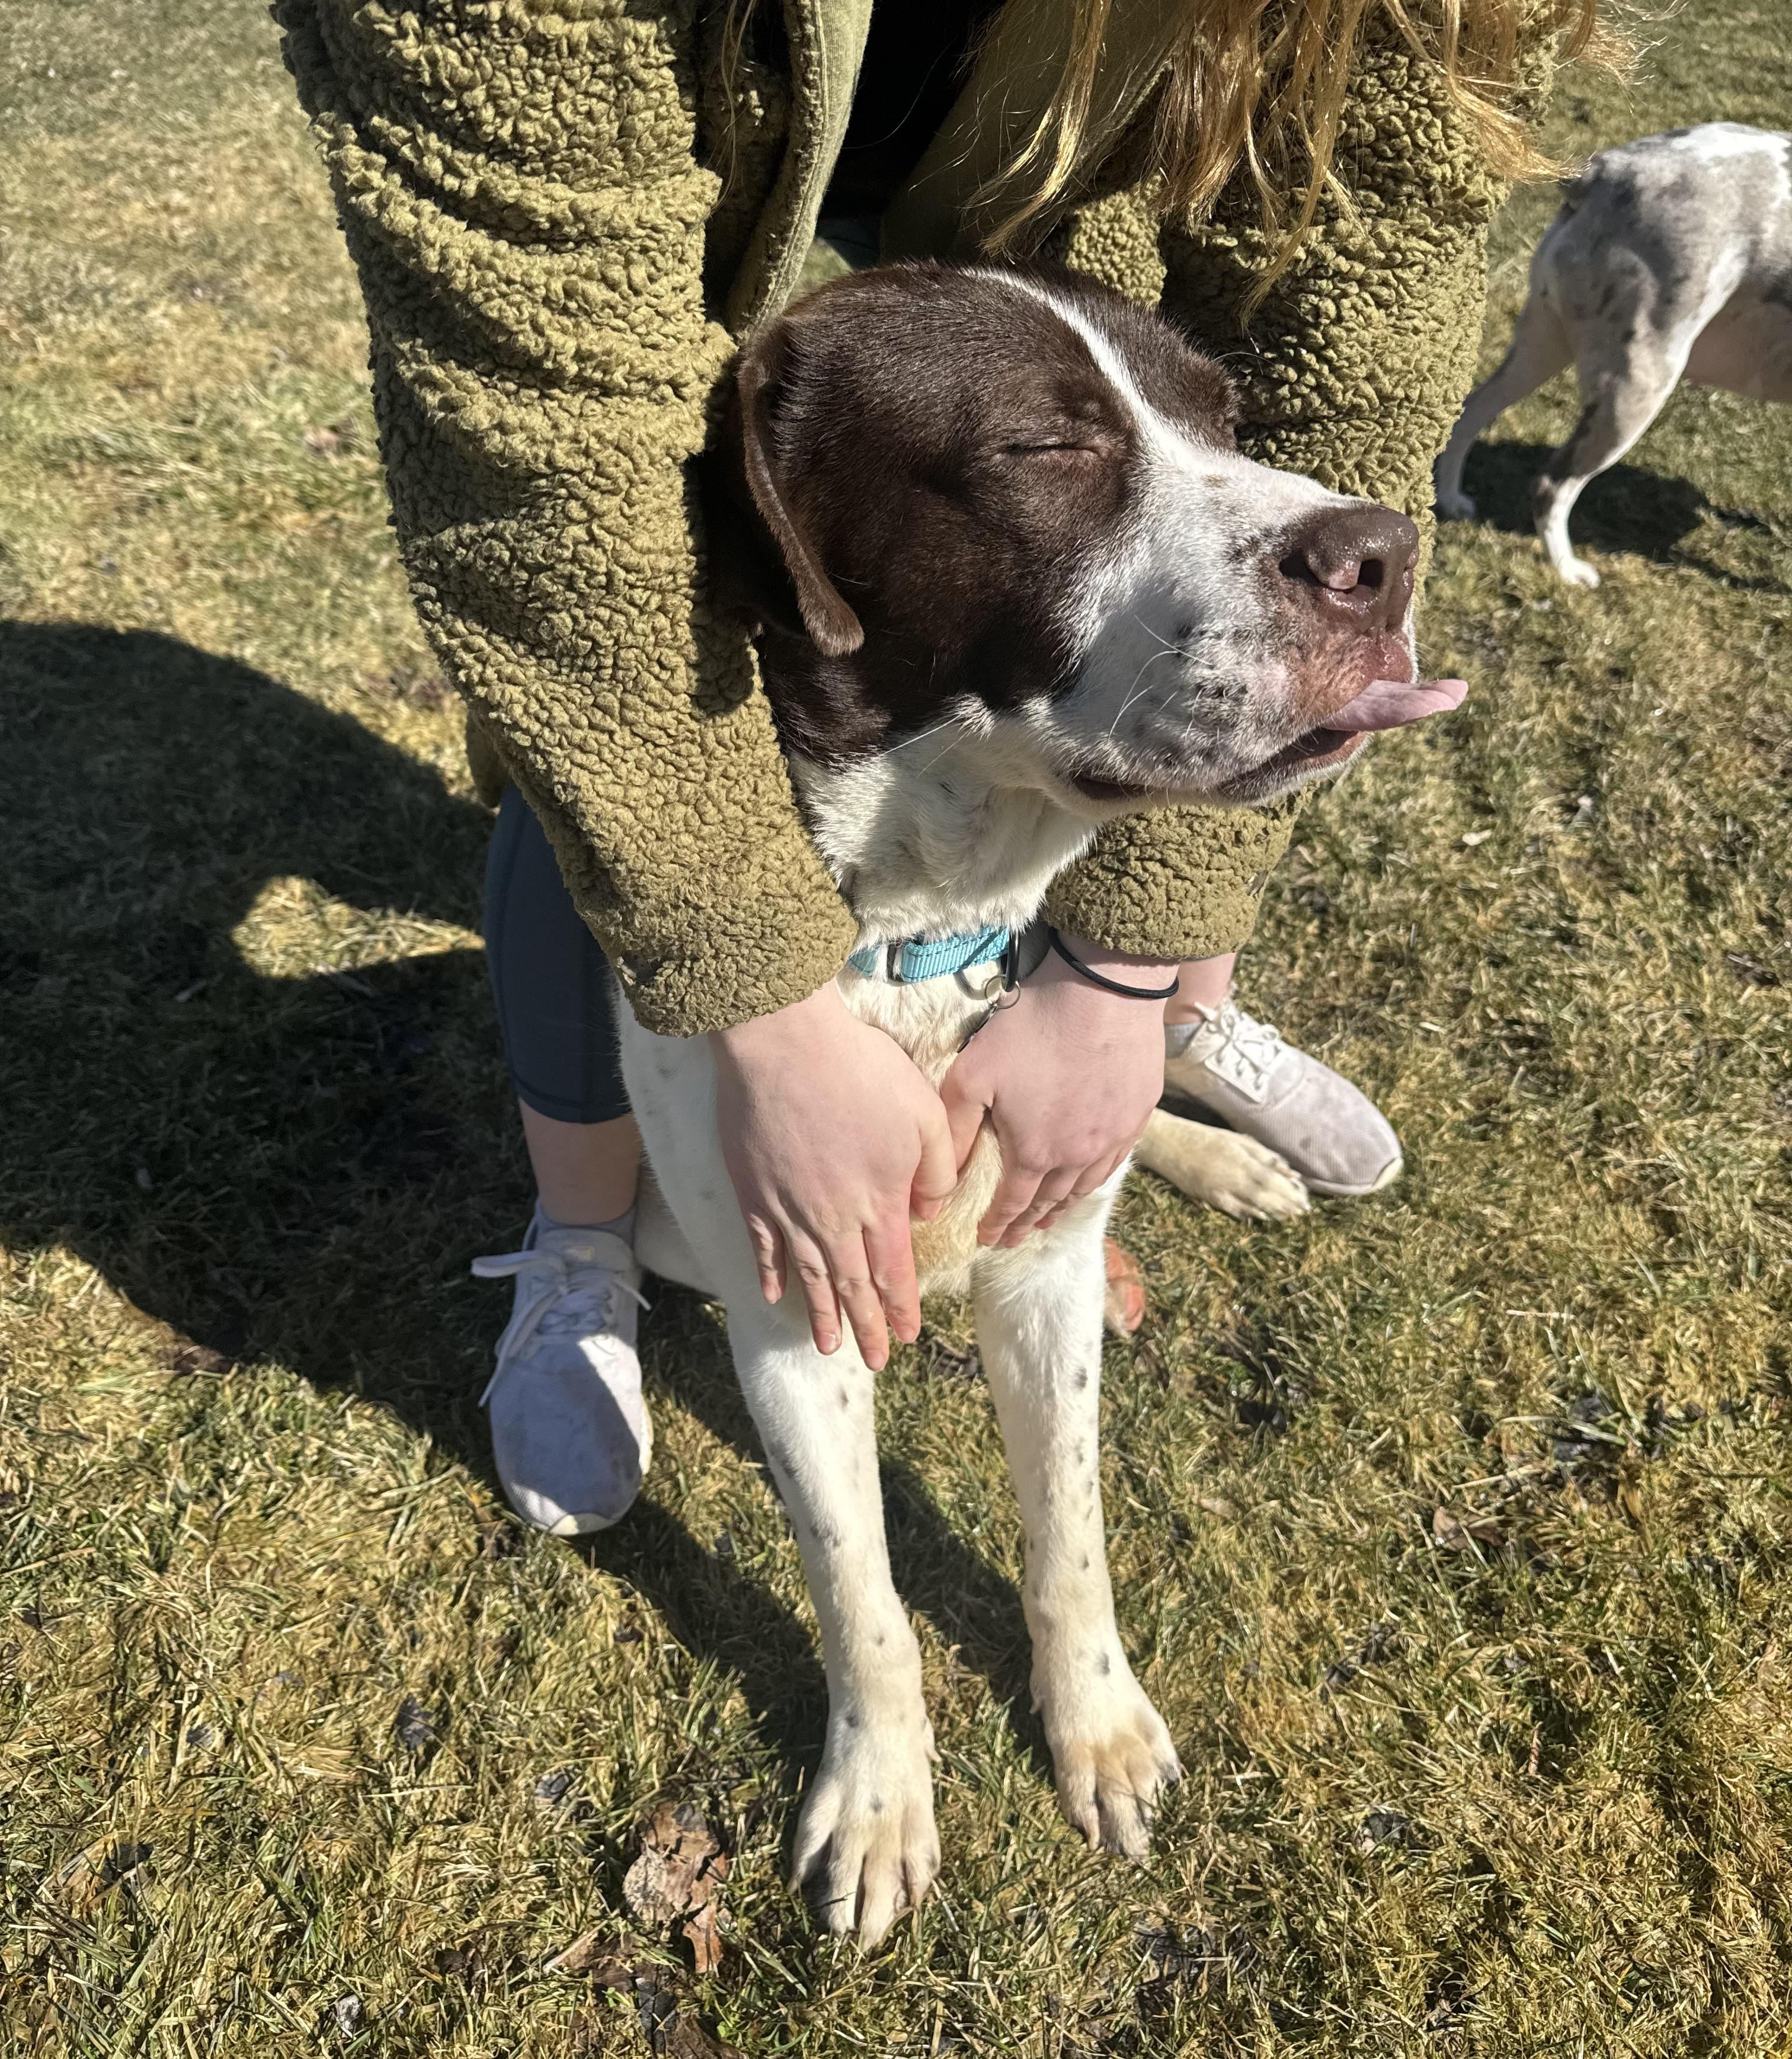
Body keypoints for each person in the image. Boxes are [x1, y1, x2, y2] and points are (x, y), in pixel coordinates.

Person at [276, 0, 1595, 1536]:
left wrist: (1127, 969)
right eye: (1054, 455)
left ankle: (1162, 1048)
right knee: (593, 765)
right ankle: (586, 1236)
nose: (1348, 524)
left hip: (1030, 202)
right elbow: (546, 474)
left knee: (1085, 792)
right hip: (636, 258)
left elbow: (1348, 314)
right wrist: (761, 1002)